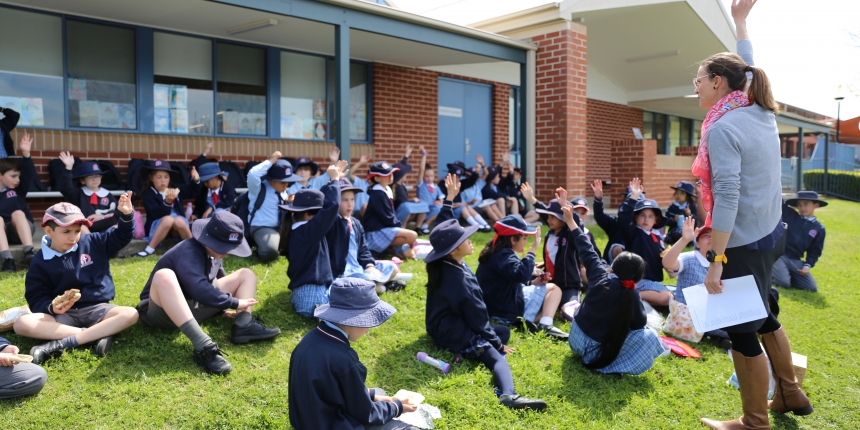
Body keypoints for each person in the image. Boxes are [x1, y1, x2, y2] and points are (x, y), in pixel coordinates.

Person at [698, 1, 812, 427]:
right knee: (765, 313)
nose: (694, 86)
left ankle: (753, 422)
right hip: (770, 232)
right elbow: (747, 65)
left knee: (743, 329)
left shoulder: (725, 126)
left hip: (742, 243)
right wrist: (740, 20)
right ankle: (791, 394)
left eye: (698, 79)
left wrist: (717, 261)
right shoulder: (757, 106)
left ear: (716, 82)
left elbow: (727, 197)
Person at [424, 174, 547, 411]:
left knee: (502, 332)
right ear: (452, 250)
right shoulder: (459, 279)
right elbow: (479, 320)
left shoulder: (445, 263)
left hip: (443, 324)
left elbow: (443, 228)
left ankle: (460, 351)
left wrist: (449, 200)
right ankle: (509, 395)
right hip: (453, 329)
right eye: (464, 238)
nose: (470, 239)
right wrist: (496, 347)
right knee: (497, 358)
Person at [136, 211, 281, 375]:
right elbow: (199, 289)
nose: (226, 253)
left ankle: (244, 324)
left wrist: (221, 309)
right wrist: (234, 302)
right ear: (208, 239)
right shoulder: (188, 250)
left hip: (193, 306)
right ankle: (204, 346)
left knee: (246, 274)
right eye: (222, 247)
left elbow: (217, 277)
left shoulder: (213, 251)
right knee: (164, 276)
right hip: (163, 312)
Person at [15, 198, 138, 364]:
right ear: (49, 232)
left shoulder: (93, 242)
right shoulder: (39, 261)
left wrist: (126, 215)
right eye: (66, 232)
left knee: (131, 313)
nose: (73, 237)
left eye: (77, 231)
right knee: (22, 323)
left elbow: (122, 236)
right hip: (63, 316)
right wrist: (52, 308)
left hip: (98, 309)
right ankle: (94, 335)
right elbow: (36, 296)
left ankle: (65, 342)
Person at [288, 278, 418, 430]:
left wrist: (371, 396)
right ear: (355, 319)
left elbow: (331, 388)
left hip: (305, 421)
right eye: (368, 321)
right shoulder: (344, 359)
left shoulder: (309, 339)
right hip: (333, 424)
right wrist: (397, 407)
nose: (368, 329)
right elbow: (366, 414)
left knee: (379, 393)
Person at [564, 203, 667, 375]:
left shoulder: (599, 274)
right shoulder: (632, 294)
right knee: (649, 335)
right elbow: (639, 325)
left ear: (613, 266)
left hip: (575, 339)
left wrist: (571, 222)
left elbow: (586, 249)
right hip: (597, 350)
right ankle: (614, 367)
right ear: (638, 278)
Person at [475, 214, 568, 339]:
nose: (526, 242)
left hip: (497, 306)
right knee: (554, 289)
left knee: (549, 301)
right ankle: (545, 324)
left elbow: (509, 280)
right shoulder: (504, 255)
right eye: (524, 238)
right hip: (505, 309)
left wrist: (532, 283)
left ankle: (528, 320)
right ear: (513, 240)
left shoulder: (497, 251)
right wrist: (533, 250)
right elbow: (521, 274)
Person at [279, 161, 347, 317]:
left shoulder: (298, 231)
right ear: (309, 215)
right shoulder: (308, 232)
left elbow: (320, 200)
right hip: (313, 301)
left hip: (303, 298)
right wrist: (335, 180)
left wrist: (332, 182)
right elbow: (331, 206)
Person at [661, 218, 731, 347]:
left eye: (715, 236)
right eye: (706, 236)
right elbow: (668, 263)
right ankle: (723, 336)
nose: (711, 238)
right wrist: (685, 239)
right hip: (689, 315)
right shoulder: (690, 258)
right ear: (697, 243)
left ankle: (725, 336)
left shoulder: (721, 263)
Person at [326, 177, 403, 294]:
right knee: (367, 283)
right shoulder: (331, 222)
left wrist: (369, 265)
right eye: (344, 200)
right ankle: (381, 288)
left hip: (359, 267)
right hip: (343, 271)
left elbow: (363, 249)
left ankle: (371, 287)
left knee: (393, 268)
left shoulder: (356, 223)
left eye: (352, 199)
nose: (350, 204)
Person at [523, 187, 585, 304]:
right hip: (550, 282)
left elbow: (577, 224)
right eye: (548, 217)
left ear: (563, 219)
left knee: (568, 309)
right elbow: (543, 211)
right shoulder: (550, 234)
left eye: (553, 217)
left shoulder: (569, 234)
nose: (549, 220)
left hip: (568, 284)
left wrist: (565, 205)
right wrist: (531, 199)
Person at [617, 179, 673, 307]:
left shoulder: (658, 236)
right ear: (635, 218)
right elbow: (623, 219)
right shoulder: (634, 232)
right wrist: (633, 197)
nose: (646, 219)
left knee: (677, 295)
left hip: (653, 282)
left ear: (656, 220)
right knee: (667, 298)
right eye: (642, 215)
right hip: (639, 281)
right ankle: (629, 295)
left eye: (650, 216)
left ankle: (639, 298)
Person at [136, 160, 200, 257]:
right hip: (159, 226)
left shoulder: (175, 189)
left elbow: (193, 191)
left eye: (166, 177)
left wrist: (196, 180)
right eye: (159, 177)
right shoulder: (149, 194)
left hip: (175, 230)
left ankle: (194, 249)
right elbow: (156, 214)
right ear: (151, 178)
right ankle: (149, 249)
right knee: (168, 219)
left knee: (179, 220)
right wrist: (167, 202)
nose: (163, 180)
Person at [246, 152, 301, 262]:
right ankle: (257, 249)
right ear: (271, 179)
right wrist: (269, 162)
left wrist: (289, 203)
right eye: (282, 182)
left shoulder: (283, 192)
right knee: (271, 251)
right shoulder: (258, 188)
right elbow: (252, 174)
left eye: (288, 182)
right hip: (262, 227)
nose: (286, 185)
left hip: (282, 227)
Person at [362, 161, 418, 259]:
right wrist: (400, 228)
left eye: (391, 173)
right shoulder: (377, 193)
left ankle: (385, 249)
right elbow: (387, 217)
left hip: (385, 229)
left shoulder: (386, 189)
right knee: (412, 236)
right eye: (387, 174)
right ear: (377, 178)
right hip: (375, 232)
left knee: (409, 255)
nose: (391, 176)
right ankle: (377, 247)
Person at [772, 191, 826, 292]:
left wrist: (807, 265)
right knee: (784, 283)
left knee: (811, 287)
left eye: (806, 204)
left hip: (795, 260)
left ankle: (785, 273)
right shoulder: (790, 215)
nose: (802, 207)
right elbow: (779, 202)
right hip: (779, 255)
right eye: (799, 205)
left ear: (816, 205)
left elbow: (815, 250)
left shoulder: (819, 228)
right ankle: (774, 272)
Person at [0, 133, 37, 271]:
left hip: (21, 230)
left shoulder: (18, 190)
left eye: (18, 176)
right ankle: (7, 260)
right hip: (1, 234)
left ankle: (29, 253)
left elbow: (28, 173)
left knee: (18, 213)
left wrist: (26, 154)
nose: (18, 180)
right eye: (13, 176)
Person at [56, 153, 119, 234]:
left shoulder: (107, 194)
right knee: (81, 227)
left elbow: (118, 211)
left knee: (116, 226)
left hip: (104, 224)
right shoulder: (78, 193)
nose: (95, 179)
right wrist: (68, 167)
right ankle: (91, 243)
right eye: (90, 177)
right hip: (86, 228)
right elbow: (65, 188)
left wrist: (102, 215)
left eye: (97, 176)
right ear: (82, 180)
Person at [437, 161, 492, 232]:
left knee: (467, 207)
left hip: (459, 207)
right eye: (456, 176)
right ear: (450, 175)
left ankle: (485, 224)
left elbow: (470, 181)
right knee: (463, 208)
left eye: (459, 176)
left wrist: (477, 171)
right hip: (450, 210)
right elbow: (446, 202)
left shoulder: (458, 183)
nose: (458, 178)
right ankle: (476, 226)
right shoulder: (442, 184)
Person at [391, 147, 430, 232]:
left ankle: (418, 228)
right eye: (405, 174)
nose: (407, 175)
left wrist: (407, 154)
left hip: (403, 212)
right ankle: (403, 228)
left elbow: (401, 166)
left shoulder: (400, 184)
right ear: (401, 176)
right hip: (397, 215)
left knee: (423, 205)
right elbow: (404, 203)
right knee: (406, 207)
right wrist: (413, 200)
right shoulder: (396, 187)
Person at [415, 147, 444, 234]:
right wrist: (424, 155)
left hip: (431, 209)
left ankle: (426, 224)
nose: (429, 178)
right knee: (424, 208)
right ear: (423, 176)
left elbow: (442, 198)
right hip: (422, 208)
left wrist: (439, 202)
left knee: (440, 208)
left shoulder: (436, 187)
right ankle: (419, 226)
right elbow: (421, 170)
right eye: (427, 176)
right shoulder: (421, 184)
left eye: (431, 176)